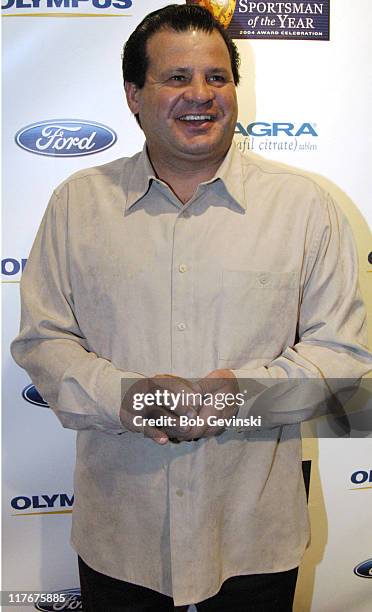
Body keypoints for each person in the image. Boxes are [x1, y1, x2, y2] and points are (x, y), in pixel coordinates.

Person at [11, 4, 372, 611]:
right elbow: (42, 341)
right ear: (133, 93)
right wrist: (128, 397)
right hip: (120, 538)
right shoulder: (77, 204)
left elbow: (343, 358)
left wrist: (232, 396)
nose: (200, 95)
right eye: (176, 78)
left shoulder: (305, 207)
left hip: (254, 540)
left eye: (216, 77)